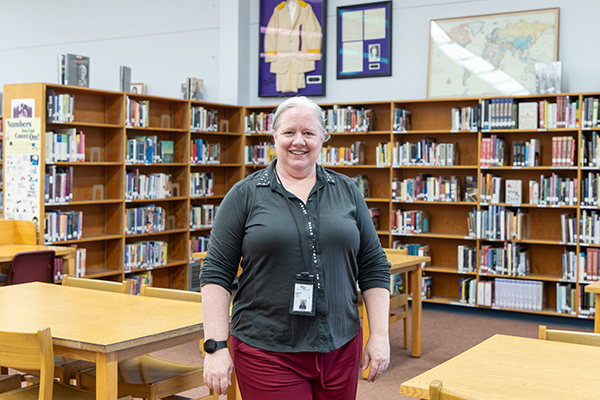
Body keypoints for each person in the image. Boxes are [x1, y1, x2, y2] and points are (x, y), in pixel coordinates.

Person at [201, 96, 391, 399]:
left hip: (340, 346)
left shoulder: (346, 191)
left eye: (309, 133)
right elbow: (216, 272)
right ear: (274, 136)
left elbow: (373, 265)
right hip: (267, 349)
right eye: (289, 132)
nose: (298, 142)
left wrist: (379, 335)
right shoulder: (245, 194)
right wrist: (215, 346)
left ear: (323, 138)